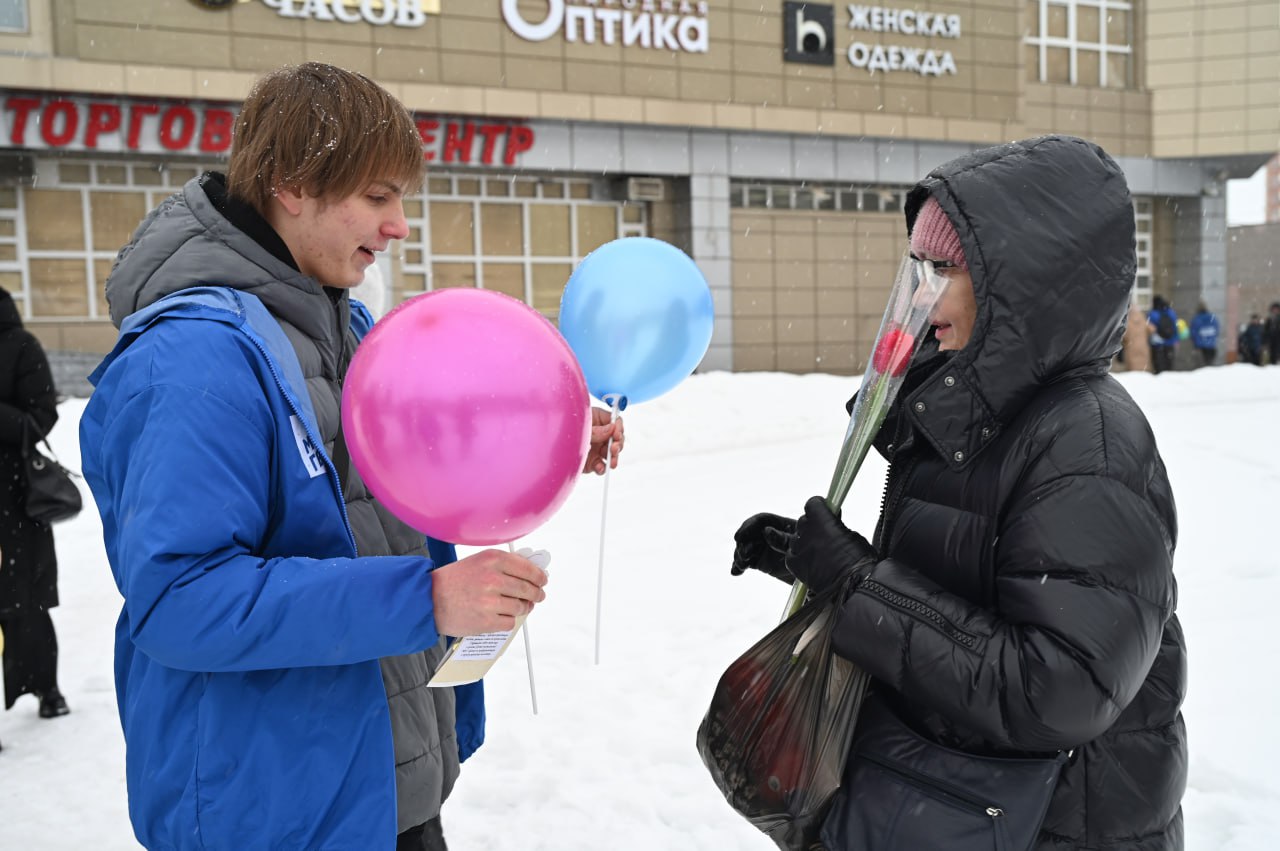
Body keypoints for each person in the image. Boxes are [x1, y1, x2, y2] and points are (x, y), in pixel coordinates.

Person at [80, 63, 623, 851]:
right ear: (294, 184)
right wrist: (427, 600)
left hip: (378, 786)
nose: (400, 224)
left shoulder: (348, 327)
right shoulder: (192, 359)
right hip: (271, 810)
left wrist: (551, 442)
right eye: (378, 196)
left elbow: (395, 478)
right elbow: (183, 600)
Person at [732, 137, 1185, 849]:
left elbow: (1059, 685)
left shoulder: (1088, 443)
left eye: (946, 267)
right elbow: (958, 576)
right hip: (949, 802)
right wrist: (813, 561)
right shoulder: (969, 402)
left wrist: (857, 585)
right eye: (918, 266)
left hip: (1053, 823)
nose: (922, 292)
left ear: (1023, 284)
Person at [0, 286, 72, 729]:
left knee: (25, 598)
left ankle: (45, 686)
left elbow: (42, 415)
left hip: (14, 496)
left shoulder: (20, 346)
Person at [1147, 294, 1179, 373]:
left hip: (1157, 345)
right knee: (1169, 366)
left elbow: (1150, 329)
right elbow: (1175, 327)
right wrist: (1176, 340)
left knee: (1158, 367)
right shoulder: (1171, 312)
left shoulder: (1152, 314)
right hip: (1170, 343)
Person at [1120, 302, 1151, 372]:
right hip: (1143, 345)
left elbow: (1124, 335)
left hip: (1131, 346)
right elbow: (1151, 329)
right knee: (1143, 364)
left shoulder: (1128, 321)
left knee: (1133, 367)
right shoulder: (1143, 319)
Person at [1188, 302, 1219, 366]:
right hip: (1211, 346)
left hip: (1200, 347)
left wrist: (1195, 341)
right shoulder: (1212, 318)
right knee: (1210, 365)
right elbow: (1216, 330)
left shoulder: (1197, 319)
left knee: (1201, 367)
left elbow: (1193, 332)